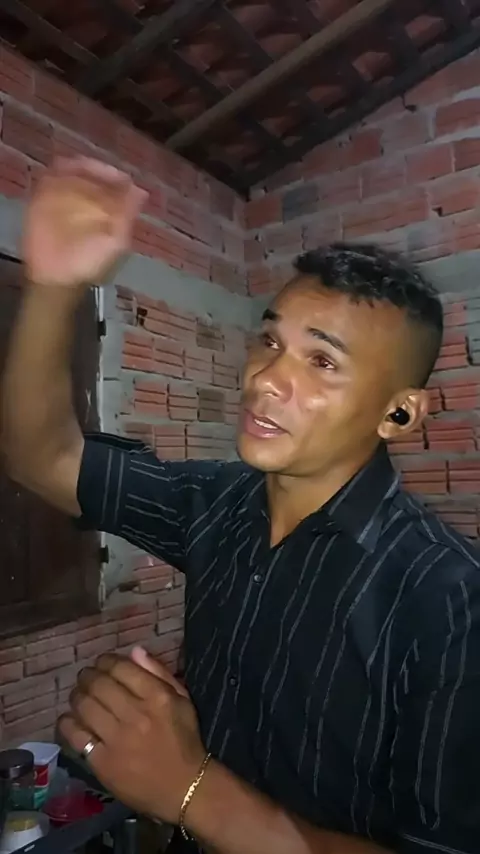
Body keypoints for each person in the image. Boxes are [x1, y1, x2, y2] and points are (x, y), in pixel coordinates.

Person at [3, 156, 480, 854]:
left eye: (321, 361)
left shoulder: (451, 596)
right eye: (270, 340)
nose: (264, 379)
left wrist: (187, 787)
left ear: (399, 413)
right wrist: (53, 290)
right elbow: (42, 458)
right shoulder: (216, 501)